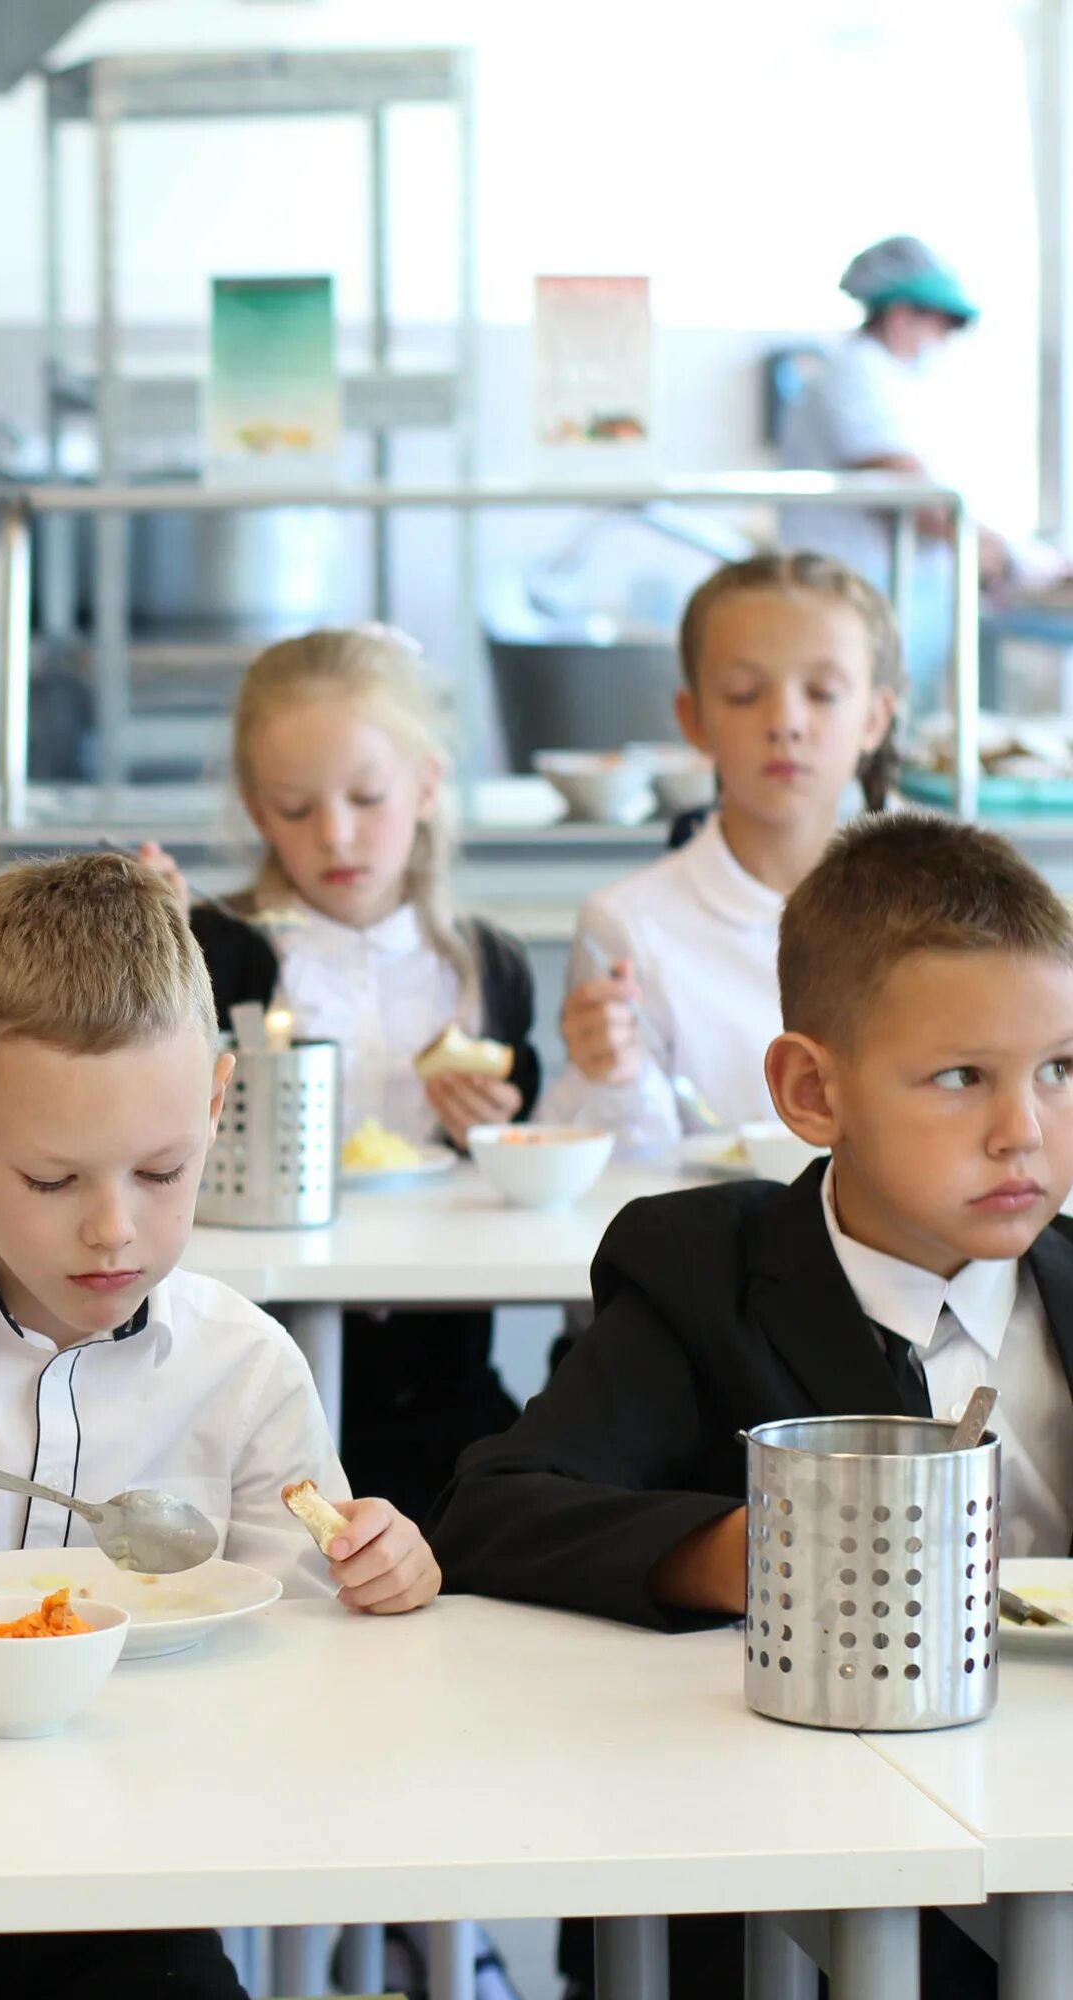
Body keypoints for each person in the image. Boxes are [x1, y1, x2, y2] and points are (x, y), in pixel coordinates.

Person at [0, 852, 437, 1999]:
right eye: (53, 1178)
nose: (114, 1229)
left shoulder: (246, 1367)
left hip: (141, 1882)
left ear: (218, 1100)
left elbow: (306, 1674)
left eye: (162, 1170)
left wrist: (381, 1581)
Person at [432, 812, 1062, 2000]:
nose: (1023, 1127)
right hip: (795, 1884)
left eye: (1060, 1070)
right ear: (811, 1090)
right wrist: (758, 1552)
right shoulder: (706, 1279)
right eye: (961, 1076)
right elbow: (492, 1507)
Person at [154, 626, 542, 1526]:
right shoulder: (220, 952)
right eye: (295, 808)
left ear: (427, 785)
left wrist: (502, 1119)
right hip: (246, 1391)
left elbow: (529, 1139)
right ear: (255, 808)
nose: (335, 834)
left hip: (441, 1384)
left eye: (367, 798)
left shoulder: (486, 969)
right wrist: (158, 960)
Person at [541, 552, 904, 1160]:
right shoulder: (628, 926)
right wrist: (607, 1071)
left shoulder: (939, 915)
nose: (785, 723)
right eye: (743, 694)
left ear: (874, 718)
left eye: (822, 693)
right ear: (694, 719)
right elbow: (623, 1173)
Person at [775, 235, 1021, 692]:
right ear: (901, 315)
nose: (942, 342)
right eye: (939, 326)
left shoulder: (897, 381)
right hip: (852, 597)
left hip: (895, 601)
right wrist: (1005, 555)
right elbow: (916, 496)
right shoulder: (855, 373)